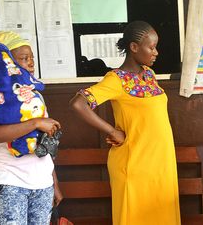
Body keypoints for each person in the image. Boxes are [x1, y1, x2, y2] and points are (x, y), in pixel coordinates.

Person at [69, 21, 181, 224]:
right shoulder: (116, 80)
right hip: (134, 164)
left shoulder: (149, 75)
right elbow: (79, 104)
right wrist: (111, 130)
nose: (156, 52)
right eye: (152, 47)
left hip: (161, 164)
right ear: (134, 47)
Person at [0, 31, 63, 224]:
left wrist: (53, 182)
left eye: (32, 58)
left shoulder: (35, 94)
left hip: (42, 183)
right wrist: (35, 123)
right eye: (23, 58)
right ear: (6, 62)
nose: (31, 63)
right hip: (9, 182)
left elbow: (42, 142)